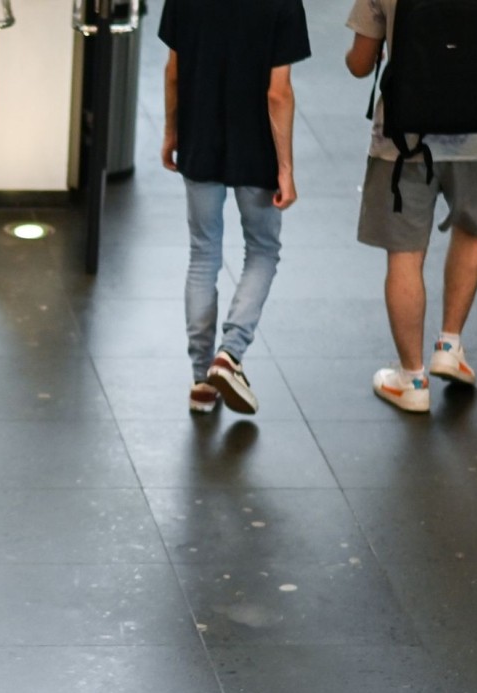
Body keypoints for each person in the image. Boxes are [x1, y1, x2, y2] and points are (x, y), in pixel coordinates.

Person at [346, 0, 477, 413]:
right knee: (472, 230)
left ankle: (412, 379)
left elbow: (360, 64)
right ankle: (449, 345)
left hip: (403, 141)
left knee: (405, 253)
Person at [159, 0, 311, 416]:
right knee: (263, 250)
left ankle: (201, 382)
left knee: (203, 253)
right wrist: (286, 168)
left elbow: (174, 71)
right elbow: (278, 93)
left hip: (199, 136)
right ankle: (229, 354)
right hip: (256, 146)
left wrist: (172, 132)